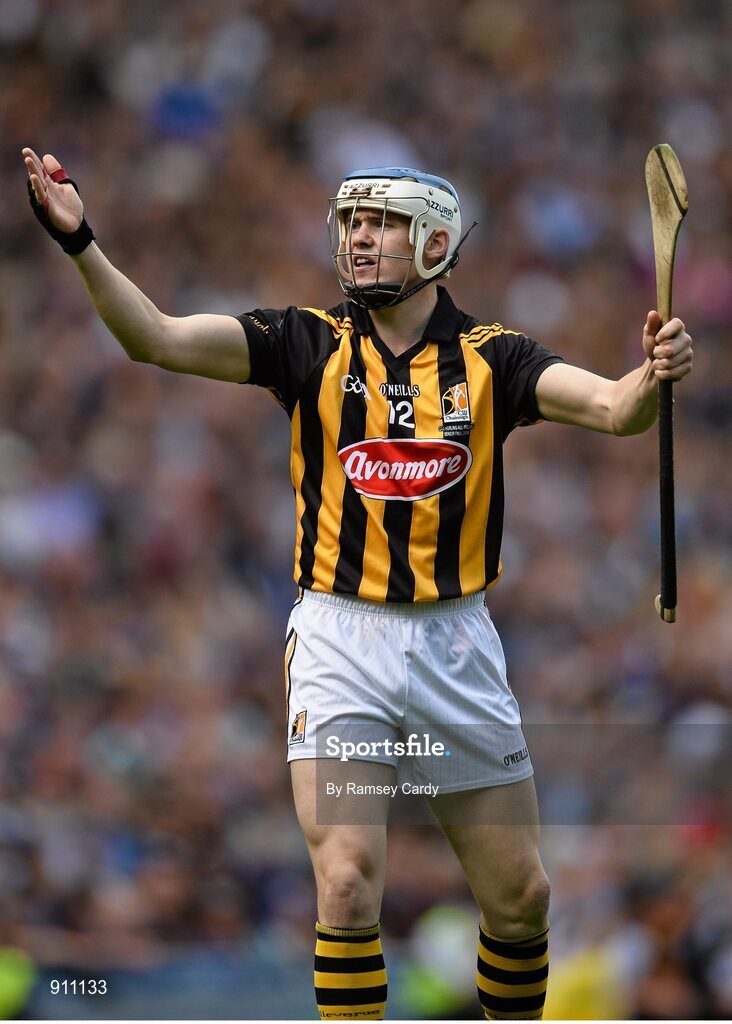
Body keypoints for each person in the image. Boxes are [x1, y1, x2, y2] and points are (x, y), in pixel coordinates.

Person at [22, 148, 693, 1021]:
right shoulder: (305, 342)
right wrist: (82, 245)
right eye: (352, 224)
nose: (359, 240)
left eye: (380, 225)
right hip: (343, 639)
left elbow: (614, 407)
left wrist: (656, 369)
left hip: (457, 644)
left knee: (522, 900)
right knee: (345, 885)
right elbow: (154, 337)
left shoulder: (497, 358)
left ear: (436, 242)